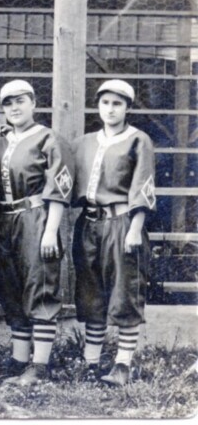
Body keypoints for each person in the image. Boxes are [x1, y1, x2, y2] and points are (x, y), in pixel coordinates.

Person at [72, 79, 156, 386]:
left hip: (123, 224)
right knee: (92, 293)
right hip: (89, 224)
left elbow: (143, 185)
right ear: (98, 106)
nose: (110, 109)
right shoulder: (84, 143)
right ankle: (90, 363)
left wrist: (135, 228)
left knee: (124, 293)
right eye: (105, 103)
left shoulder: (138, 140)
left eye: (117, 103)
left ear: (128, 108)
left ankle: (122, 364)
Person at [0, 80, 74, 385]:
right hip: (5, 220)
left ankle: (39, 367)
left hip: (37, 218)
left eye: (20, 101)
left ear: (34, 103)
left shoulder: (50, 139)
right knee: (10, 288)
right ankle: (18, 361)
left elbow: (59, 192)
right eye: (8, 103)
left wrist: (51, 231)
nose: (14, 107)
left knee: (40, 285)